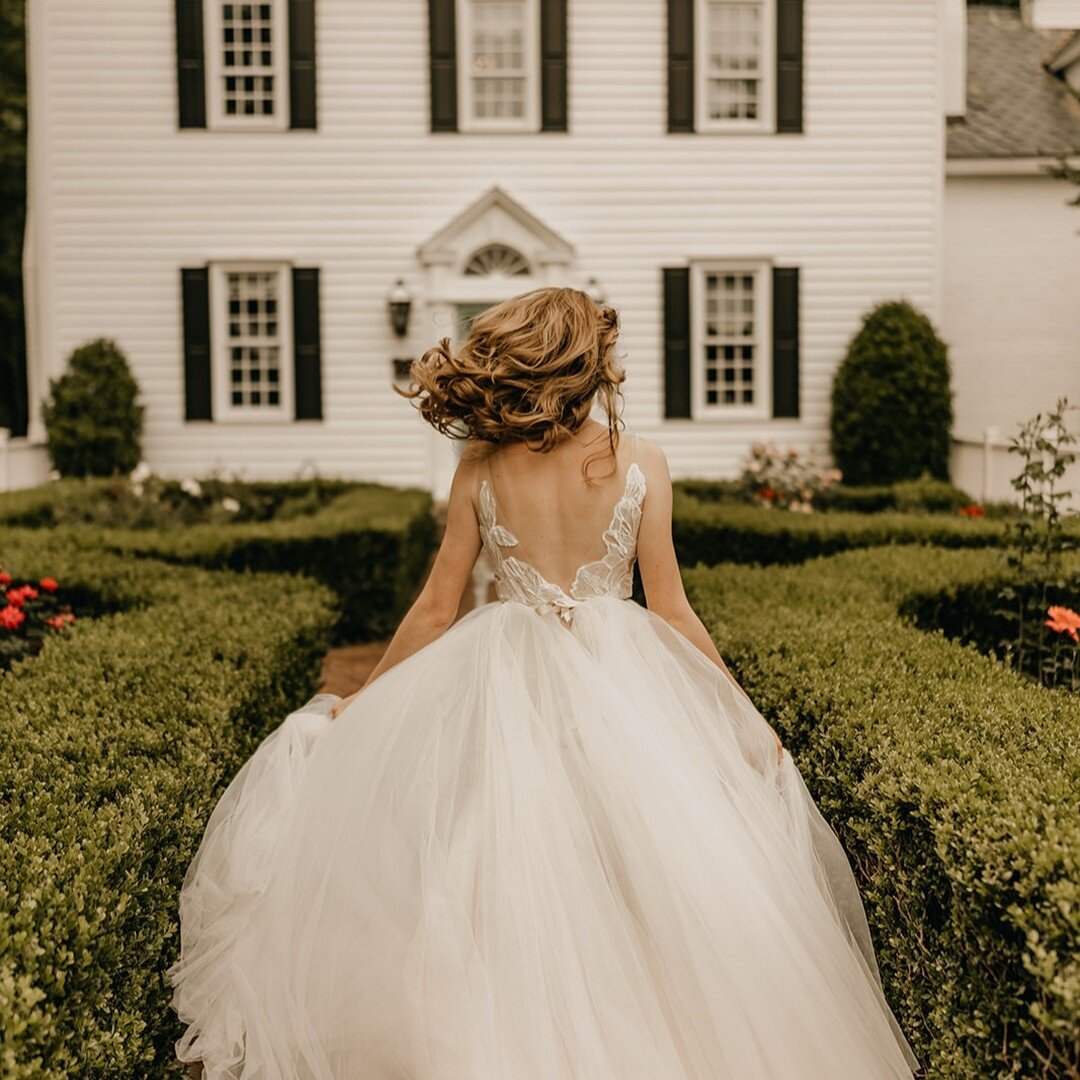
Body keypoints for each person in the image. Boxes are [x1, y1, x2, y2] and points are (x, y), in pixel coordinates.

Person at [168, 287, 920, 1078]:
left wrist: (362, 701)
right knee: (644, 864)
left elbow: (434, 609)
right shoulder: (640, 462)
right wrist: (739, 714)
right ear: (589, 366)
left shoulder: (482, 466)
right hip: (625, 684)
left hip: (508, 682)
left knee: (502, 856)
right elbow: (670, 610)